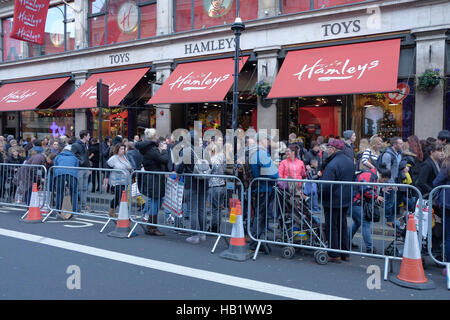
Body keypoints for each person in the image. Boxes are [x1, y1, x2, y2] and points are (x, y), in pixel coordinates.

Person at [320, 139, 355, 262]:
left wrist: (319, 193)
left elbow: (325, 186)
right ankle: (345, 252)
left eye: (328, 148)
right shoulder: (350, 161)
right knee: (342, 225)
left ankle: (334, 254)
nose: (327, 150)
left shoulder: (332, 164)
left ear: (333, 149)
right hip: (345, 198)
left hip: (333, 200)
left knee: (332, 226)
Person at [176, 130, 210, 244]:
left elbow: (179, 169)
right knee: (202, 209)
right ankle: (203, 234)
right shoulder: (204, 151)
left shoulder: (186, 151)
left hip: (191, 183)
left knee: (193, 210)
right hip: (204, 183)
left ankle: (195, 236)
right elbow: (209, 166)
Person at [349, 164, 391, 254]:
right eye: (384, 180)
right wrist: (376, 196)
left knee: (357, 222)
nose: (383, 183)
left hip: (355, 202)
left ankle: (345, 241)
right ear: (382, 176)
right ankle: (370, 248)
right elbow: (365, 189)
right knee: (365, 223)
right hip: (355, 202)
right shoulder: (369, 175)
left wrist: (379, 192)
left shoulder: (372, 175)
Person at [248, 132, 279, 252]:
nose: (269, 143)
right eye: (267, 140)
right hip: (263, 189)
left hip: (257, 188)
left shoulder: (252, 152)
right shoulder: (261, 153)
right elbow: (273, 174)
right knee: (260, 217)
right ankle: (255, 243)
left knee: (258, 216)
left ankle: (257, 241)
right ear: (261, 140)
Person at [136, 129, 168, 236]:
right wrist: (164, 150)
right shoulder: (152, 150)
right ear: (153, 137)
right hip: (155, 179)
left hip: (154, 178)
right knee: (155, 201)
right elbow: (164, 159)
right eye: (156, 135)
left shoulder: (148, 148)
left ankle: (151, 225)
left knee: (157, 201)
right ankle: (152, 227)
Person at [379, 136, 404, 227]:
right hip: (389, 182)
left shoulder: (399, 154)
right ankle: (388, 219)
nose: (402, 145)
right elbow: (387, 171)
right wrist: (390, 183)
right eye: (400, 143)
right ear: (394, 144)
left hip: (396, 180)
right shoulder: (387, 155)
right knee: (389, 201)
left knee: (394, 201)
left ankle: (391, 218)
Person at [104, 144, 133, 218]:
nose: (123, 150)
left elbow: (129, 167)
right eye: (121, 149)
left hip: (125, 181)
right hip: (116, 181)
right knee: (120, 197)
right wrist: (106, 178)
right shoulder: (113, 158)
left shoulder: (125, 157)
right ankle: (122, 214)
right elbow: (108, 167)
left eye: (124, 149)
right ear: (117, 150)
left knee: (118, 197)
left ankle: (112, 212)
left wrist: (132, 170)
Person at [432, 155, 450, 269]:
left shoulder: (447, 164)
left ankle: (448, 266)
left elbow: (436, 182)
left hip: (448, 203)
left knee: (449, 235)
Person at [53, 144, 79, 215]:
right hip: (72, 173)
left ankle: (58, 210)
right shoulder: (75, 158)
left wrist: (54, 179)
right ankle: (74, 210)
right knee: (74, 192)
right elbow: (76, 169)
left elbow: (55, 167)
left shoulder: (58, 156)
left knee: (59, 192)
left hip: (59, 173)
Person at [208, 142, 226, 233]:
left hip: (214, 185)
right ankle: (217, 226)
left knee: (214, 208)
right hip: (222, 184)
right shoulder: (222, 156)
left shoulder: (212, 159)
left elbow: (209, 171)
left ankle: (214, 227)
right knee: (218, 207)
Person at [72, 130, 91, 213]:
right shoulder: (76, 145)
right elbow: (73, 156)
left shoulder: (86, 144)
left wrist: (89, 167)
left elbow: (86, 157)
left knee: (84, 188)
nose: (89, 137)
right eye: (88, 135)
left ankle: (84, 205)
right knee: (78, 188)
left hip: (85, 168)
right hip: (79, 168)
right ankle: (75, 206)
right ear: (84, 136)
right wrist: (80, 162)